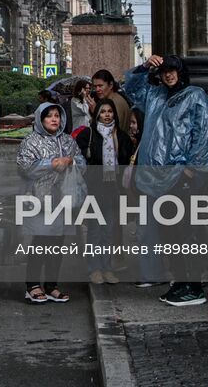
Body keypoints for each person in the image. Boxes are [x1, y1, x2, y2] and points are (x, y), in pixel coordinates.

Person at [123, 54, 208, 307]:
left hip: (179, 178)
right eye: (164, 71)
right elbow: (130, 88)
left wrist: (192, 170)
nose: (168, 75)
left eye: (173, 71)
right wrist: (144, 67)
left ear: (181, 72)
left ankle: (194, 286)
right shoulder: (155, 96)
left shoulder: (195, 96)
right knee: (169, 234)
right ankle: (181, 280)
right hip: (155, 179)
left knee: (186, 232)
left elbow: (204, 134)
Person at [16, 100, 85, 305]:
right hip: (39, 200)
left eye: (57, 115)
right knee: (41, 241)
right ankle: (32, 285)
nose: (54, 119)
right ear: (40, 118)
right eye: (49, 115)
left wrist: (71, 161)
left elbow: (82, 162)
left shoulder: (68, 141)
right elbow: (24, 167)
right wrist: (51, 164)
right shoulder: (30, 141)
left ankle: (51, 285)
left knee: (58, 242)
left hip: (63, 199)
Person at [78, 98, 135, 284]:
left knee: (109, 231)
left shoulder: (122, 136)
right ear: (97, 114)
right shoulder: (89, 135)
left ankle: (106, 267)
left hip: (113, 189)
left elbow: (126, 161)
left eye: (110, 111)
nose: (107, 115)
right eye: (103, 111)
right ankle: (93, 268)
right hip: (94, 188)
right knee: (94, 230)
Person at [91, 70, 132, 134]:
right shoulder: (111, 100)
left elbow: (110, 131)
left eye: (100, 86)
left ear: (110, 85)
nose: (97, 89)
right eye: (95, 86)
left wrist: (96, 112)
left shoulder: (115, 103)